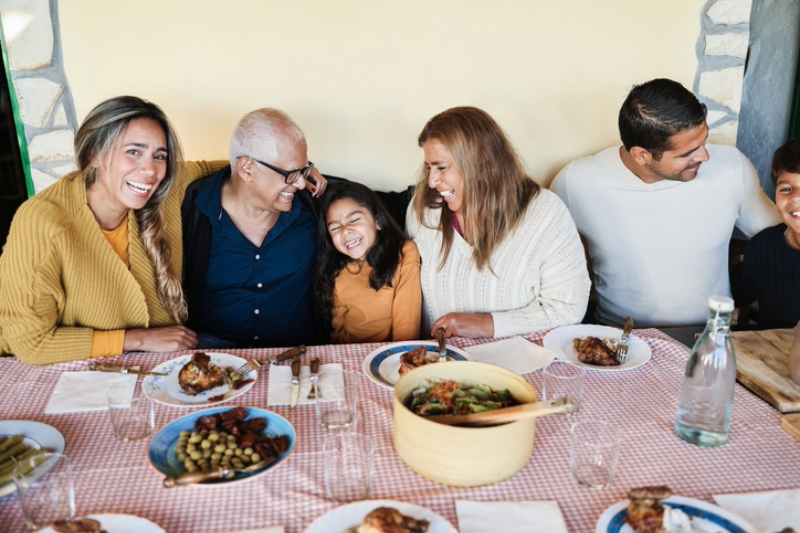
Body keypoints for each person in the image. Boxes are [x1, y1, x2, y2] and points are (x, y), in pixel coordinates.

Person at [0, 96, 216, 364]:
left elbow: (222, 168)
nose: (150, 170)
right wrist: (138, 339)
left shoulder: (164, 187)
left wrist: (279, 176)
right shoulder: (42, 222)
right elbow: (32, 342)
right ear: (94, 154)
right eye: (133, 151)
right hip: (55, 376)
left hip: (147, 372)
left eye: (159, 156)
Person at [551, 78, 780, 327]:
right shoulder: (577, 182)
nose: (705, 156)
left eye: (703, 141)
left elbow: (785, 240)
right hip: (619, 338)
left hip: (710, 336)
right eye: (687, 153)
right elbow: (543, 256)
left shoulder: (732, 167)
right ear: (641, 155)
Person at [407, 106, 590, 339]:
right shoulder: (423, 210)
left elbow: (568, 308)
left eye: (441, 167)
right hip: (441, 363)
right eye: (429, 167)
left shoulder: (546, 214)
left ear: (480, 163)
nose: (432, 181)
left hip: (519, 364)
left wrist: (486, 325)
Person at [181, 108, 327, 348]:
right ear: (246, 169)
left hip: (295, 357)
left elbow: (372, 210)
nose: (300, 183)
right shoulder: (192, 211)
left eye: (304, 170)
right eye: (291, 173)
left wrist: (298, 171)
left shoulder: (312, 207)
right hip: (213, 360)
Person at [315, 181, 421, 343]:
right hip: (350, 356)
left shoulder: (404, 253)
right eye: (335, 228)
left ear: (377, 221)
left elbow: (407, 326)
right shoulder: (336, 273)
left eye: (354, 220)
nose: (345, 231)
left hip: (392, 355)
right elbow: (338, 331)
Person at [731, 139, 800, 328]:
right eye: (786, 189)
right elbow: (730, 297)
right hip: (772, 354)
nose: (795, 197)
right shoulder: (765, 246)